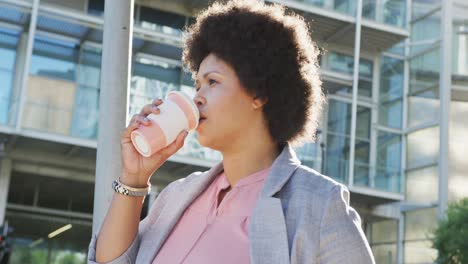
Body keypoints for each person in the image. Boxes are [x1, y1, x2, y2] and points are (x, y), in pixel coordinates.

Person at [88, 0, 375, 263]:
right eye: (197, 84)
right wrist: (134, 178)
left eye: (213, 82)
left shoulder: (319, 204)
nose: (197, 97)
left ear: (259, 92)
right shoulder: (177, 196)